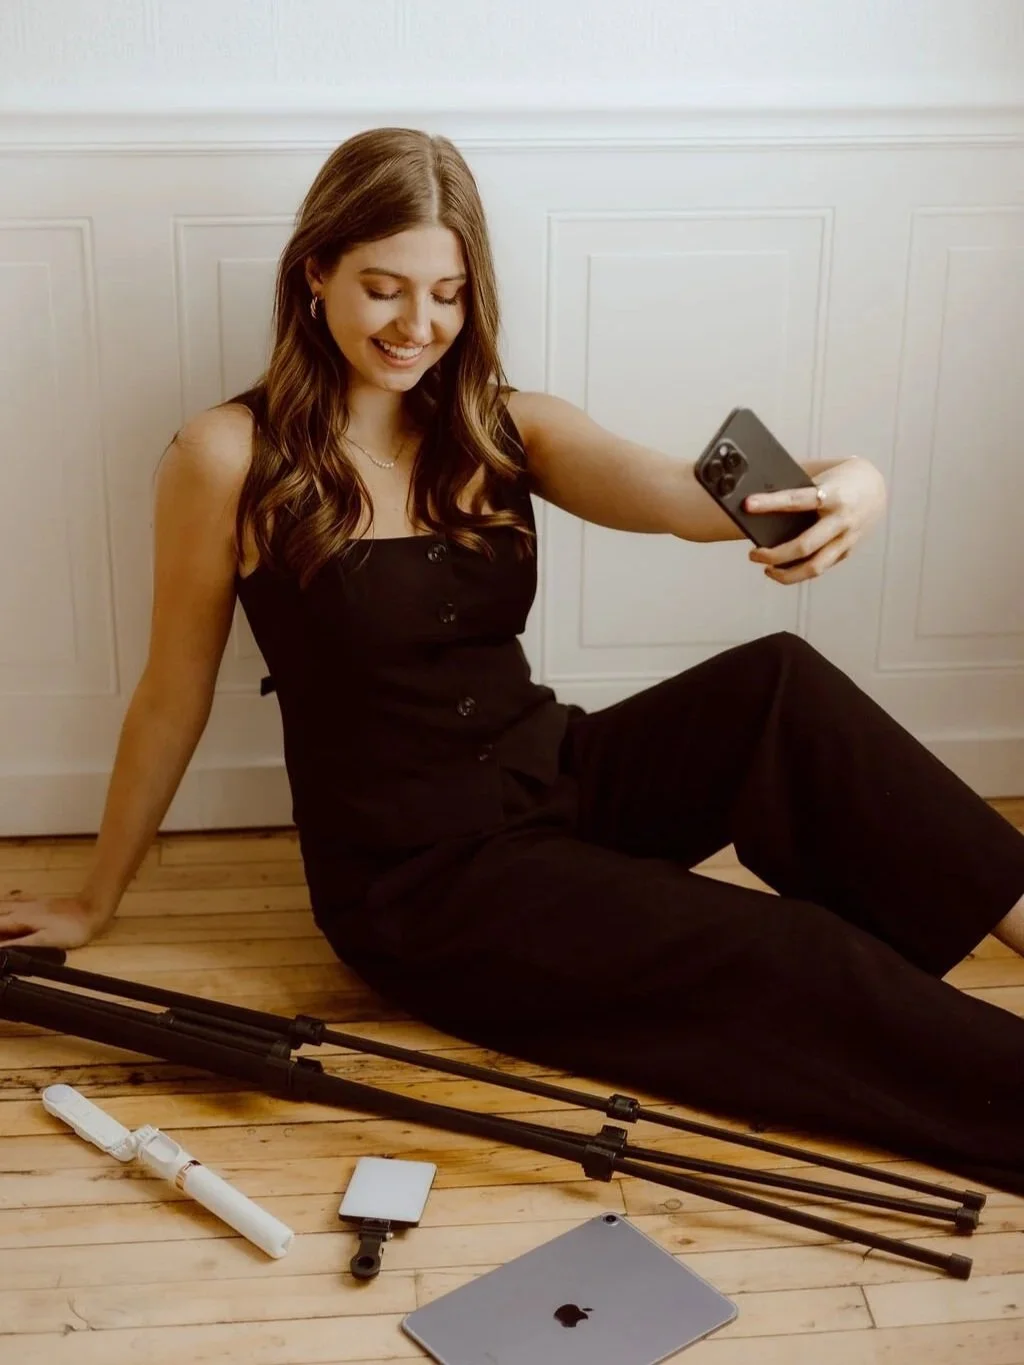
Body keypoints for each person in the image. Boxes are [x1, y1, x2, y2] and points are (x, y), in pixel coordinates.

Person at [3, 127, 1024, 1198]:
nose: (417, 325)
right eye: (383, 288)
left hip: (556, 774)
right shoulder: (228, 456)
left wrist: (853, 477)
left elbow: (688, 498)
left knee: (779, 683)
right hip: (426, 882)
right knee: (793, 953)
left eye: (444, 293)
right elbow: (172, 692)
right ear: (315, 274)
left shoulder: (502, 428)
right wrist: (93, 897)